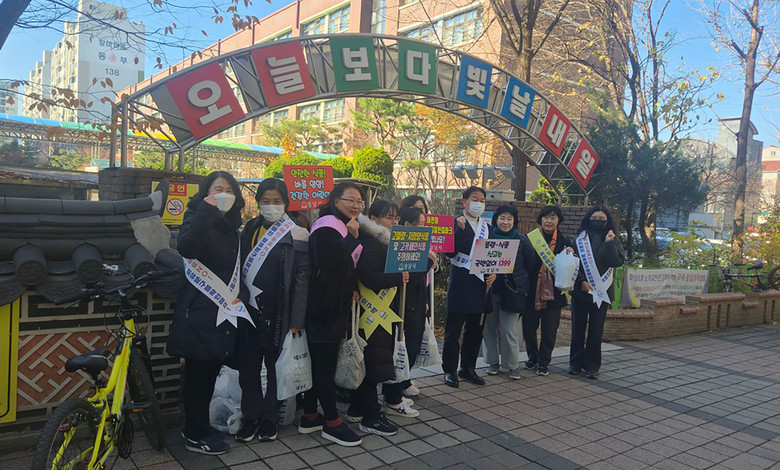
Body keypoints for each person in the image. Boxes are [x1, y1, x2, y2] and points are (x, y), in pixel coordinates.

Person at [167, 171, 245, 455]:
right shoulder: (196, 217)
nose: (223, 194)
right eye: (217, 189)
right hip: (199, 310)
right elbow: (187, 247)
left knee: (210, 373)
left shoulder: (233, 227)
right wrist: (205, 211)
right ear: (205, 193)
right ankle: (194, 433)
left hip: (222, 311)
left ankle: (199, 426)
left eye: (229, 190)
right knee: (198, 375)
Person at [235, 179, 310, 442]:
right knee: (248, 368)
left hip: (280, 313)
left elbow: (302, 279)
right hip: (249, 312)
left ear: (286, 203)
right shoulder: (249, 229)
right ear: (258, 202)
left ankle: (270, 418)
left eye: (277, 201)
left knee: (275, 368)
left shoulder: (297, 232)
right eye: (265, 201)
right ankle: (250, 416)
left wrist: (297, 319)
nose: (271, 206)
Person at [300, 182, 364, 447]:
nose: (356, 205)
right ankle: (332, 422)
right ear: (335, 201)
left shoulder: (343, 225)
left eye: (360, 201)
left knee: (320, 364)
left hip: (333, 307)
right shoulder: (327, 226)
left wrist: (352, 287)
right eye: (351, 200)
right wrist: (351, 238)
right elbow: (326, 264)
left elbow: (344, 269)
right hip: (322, 310)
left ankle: (310, 415)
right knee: (324, 367)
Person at [347, 200, 405, 435]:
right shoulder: (373, 243)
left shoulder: (382, 241)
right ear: (373, 218)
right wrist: (398, 277)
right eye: (389, 217)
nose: (394, 222)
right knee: (371, 365)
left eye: (396, 217)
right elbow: (367, 276)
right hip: (372, 314)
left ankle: (357, 409)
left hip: (377, 313)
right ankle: (371, 417)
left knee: (368, 362)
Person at [442, 186, 496, 388]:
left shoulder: (488, 228)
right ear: (465, 202)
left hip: (481, 285)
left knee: (475, 329)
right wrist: (460, 230)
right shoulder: (455, 223)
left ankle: (468, 368)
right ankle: (449, 370)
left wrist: (494, 273)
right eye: (475, 199)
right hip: (461, 284)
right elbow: (449, 253)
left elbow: (493, 254)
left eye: (482, 200)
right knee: (453, 332)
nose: (478, 204)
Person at [381, 206, 434, 408]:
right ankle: (393, 394)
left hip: (417, 304)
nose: (423, 228)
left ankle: (403, 384)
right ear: (406, 225)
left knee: (412, 347)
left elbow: (424, 282)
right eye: (419, 224)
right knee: (403, 349)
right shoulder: (399, 246)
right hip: (404, 306)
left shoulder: (419, 246)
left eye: (424, 224)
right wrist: (427, 263)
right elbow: (408, 280)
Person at [569, 206, 626, 379]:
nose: (597, 221)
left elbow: (616, 262)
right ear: (588, 219)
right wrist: (581, 281)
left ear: (607, 222)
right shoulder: (579, 239)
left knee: (596, 330)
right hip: (581, 290)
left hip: (602, 291)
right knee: (577, 329)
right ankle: (575, 363)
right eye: (594, 218)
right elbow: (573, 263)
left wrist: (609, 243)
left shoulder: (613, 239)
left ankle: (592, 366)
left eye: (601, 219)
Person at [522, 205, 573, 377]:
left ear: (558, 221)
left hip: (554, 294)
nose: (549, 221)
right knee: (529, 329)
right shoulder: (530, 239)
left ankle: (543, 363)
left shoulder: (566, 243)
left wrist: (570, 255)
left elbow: (572, 268)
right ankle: (532, 357)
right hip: (532, 292)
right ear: (540, 219)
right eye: (546, 217)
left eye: (553, 217)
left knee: (549, 331)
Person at [483, 205, 530, 380]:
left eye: (510, 219)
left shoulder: (522, 240)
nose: (505, 222)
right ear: (496, 219)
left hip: (512, 291)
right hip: (490, 290)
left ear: (514, 221)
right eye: (502, 218)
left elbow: (530, 265)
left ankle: (512, 365)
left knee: (509, 329)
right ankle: (492, 362)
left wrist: (521, 284)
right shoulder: (488, 238)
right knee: (489, 328)